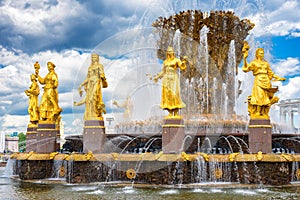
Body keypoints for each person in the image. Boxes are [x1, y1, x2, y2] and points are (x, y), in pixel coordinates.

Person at [242, 43, 285, 118]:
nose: (262, 54)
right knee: (259, 96)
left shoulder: (266, 63)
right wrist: (245, 58)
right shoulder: (254, 63)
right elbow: (246, 69)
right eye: (260, 53)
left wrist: (278, 77)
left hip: (266, 80)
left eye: (263, 53)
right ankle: (257, 112)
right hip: (258, 79)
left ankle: (263, 113)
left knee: (265, 97)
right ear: (257, 54)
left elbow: (270, 73)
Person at [153, 46, 188, 117]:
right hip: (166, 79)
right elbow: (163, 71)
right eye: (168, 51)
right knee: (167, 95)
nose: (169, 52)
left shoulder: (177, 60)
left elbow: (182, 67)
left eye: (170, 51)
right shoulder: (165, 62)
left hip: (174, 78)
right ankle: (169, 112)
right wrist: (157, 77)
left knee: (174, 94)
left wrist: (184, 62)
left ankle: (175, 113)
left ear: (173, 52)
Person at [75, 54, 108, 120]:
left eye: (95, 57)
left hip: (96, 82)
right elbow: (87, 78)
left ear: (97, 58)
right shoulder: (90, 68)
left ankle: (96, 113)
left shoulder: (100, 66)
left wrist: (103, 77)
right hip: (90, 84)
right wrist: (81, 85)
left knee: (94, 97)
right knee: (89, 100)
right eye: (92, 57)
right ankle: (91, 114)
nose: (93, 58)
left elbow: (102, 73)